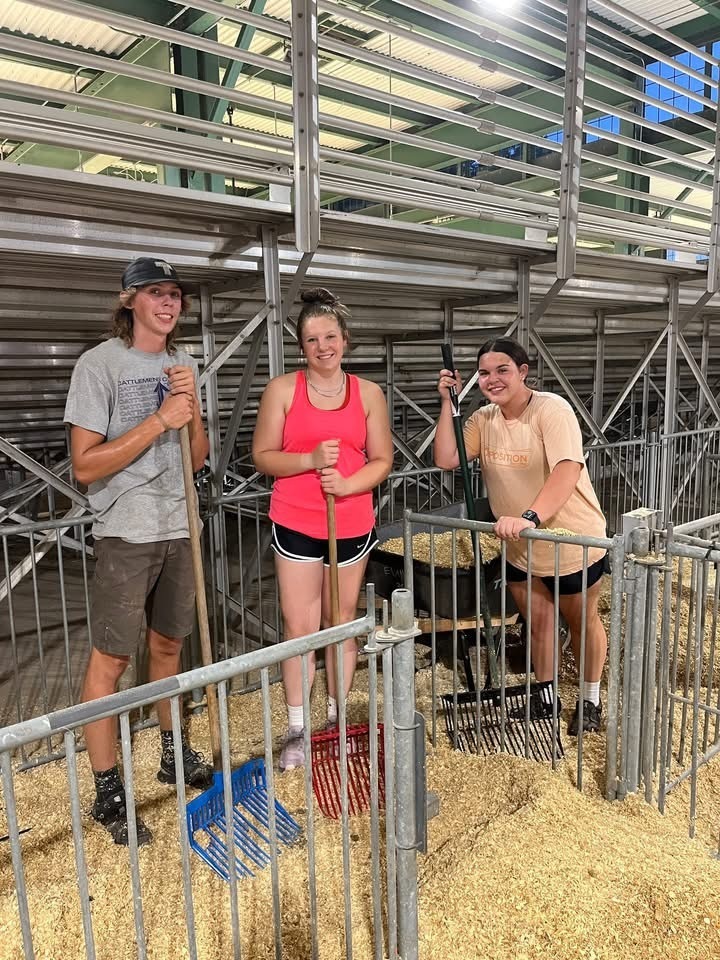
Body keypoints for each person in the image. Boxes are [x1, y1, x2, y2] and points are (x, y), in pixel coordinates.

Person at [64, 257, 212, 845]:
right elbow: (84, 465)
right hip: (126, 531)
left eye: (175, 293)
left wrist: (190, 411)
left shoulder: (183, 363)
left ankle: (174, 756)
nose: (169, 303)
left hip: (179, 526)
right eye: (156, 292)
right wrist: (158, 420)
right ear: (128, 300)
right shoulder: (97, 365)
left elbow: (196, 458)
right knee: (112, 660)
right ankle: (107, 792)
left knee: (169, 645)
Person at [434, 336, 608, 735]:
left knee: (582, 622)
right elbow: (446, 457)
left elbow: (567, 468)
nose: (492, 380)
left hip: (571, 544)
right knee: (539, 624)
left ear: (523, 371)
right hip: (521, 549)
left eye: (502, 370)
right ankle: (546, 699)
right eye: (483, 373)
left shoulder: (551, 410)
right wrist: (449, 403)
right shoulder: (483, 419)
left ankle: (590, 699)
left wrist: (531, 516)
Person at [252, 288, 393, 769]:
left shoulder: (368, 394)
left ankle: (334, 721)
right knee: (299, 625)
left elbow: (383, 461)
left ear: (345, 340)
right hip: (296, 519)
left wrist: (349, 481)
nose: (322, 346)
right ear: (302, 347)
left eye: (329, 336)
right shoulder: (282, 390)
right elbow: (262, 456)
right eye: (312, 339)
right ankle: (297, 727)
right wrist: (309, 460)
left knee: (341, 623)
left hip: (350, 521)